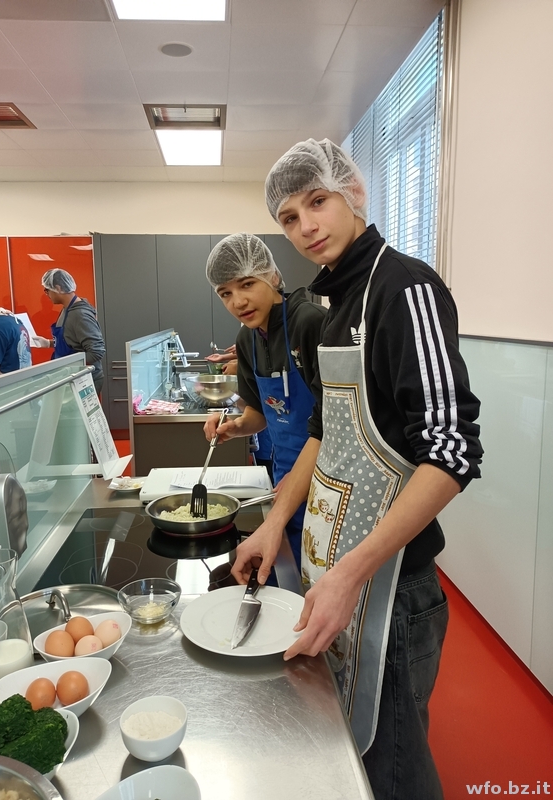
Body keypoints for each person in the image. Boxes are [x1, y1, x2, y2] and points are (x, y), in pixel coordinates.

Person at [231, 139, 483, 800]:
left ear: (354, 193)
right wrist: (274, 522)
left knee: (394, 770)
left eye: (317, 202)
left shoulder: (405, 288)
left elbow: (451, 451)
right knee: (355, 755)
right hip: (342, 574)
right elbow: (325, 431)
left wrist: (351, 571)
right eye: (289, 217)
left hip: (391, 588)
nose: (306, 226)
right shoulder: (334, 307)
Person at [204, 233, 326, 569]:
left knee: (318, 568)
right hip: (282, 475)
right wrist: (236, 427)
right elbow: (259, 413)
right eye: (225, 293)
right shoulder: (247, 339)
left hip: (325, 478)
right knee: (287, 570)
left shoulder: (311, 323)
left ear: (272, 276)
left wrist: (303, 478)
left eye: (246, 284)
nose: (238, 302)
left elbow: (339, 422)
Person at [33, 269, 106, 394]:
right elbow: (72, 341)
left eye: (47, 290)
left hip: (83, 379)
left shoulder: (80, 314)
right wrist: (49, 343)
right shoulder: (67, 309)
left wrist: (68, 365)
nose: (47, 294)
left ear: (58, 288)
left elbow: (97, 352)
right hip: (72, 376)